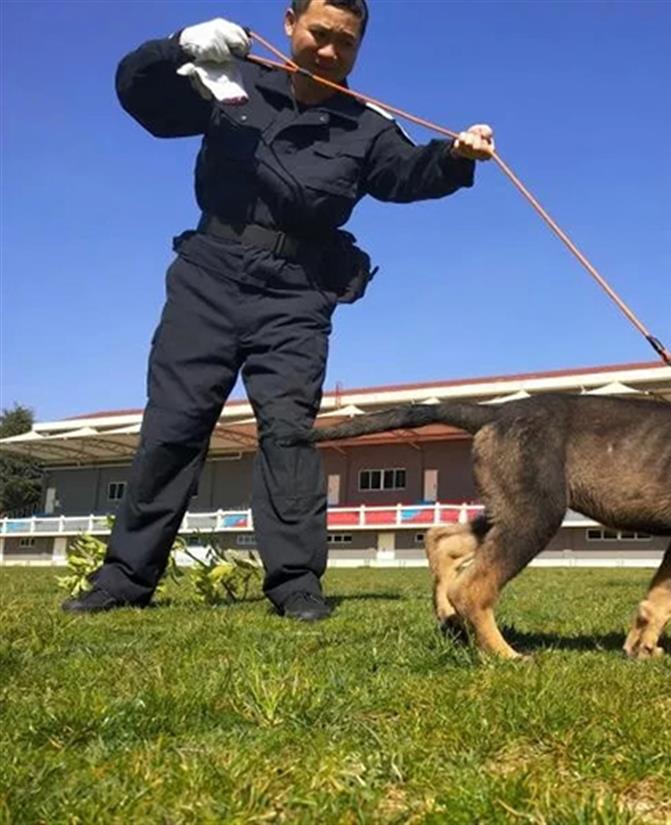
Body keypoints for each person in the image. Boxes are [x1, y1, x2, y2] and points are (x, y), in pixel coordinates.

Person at [62, 0, 494, 620]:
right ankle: (125, 579)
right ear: (290, 24)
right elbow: (145, 103)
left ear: (358, 49)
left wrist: (456, 155)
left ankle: (295, 584)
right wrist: (177, 45)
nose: (329, 50)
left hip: (298, 292)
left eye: (345, 42)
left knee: (289, 433)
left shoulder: (365, 124)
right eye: (320, 33)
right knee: (173, 426)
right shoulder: (230, 78)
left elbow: (407, 174)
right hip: (208, 274)